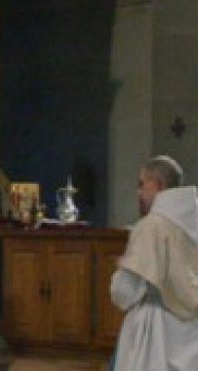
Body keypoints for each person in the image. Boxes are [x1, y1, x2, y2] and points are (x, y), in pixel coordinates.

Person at [110, 155, 198, 371]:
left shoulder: (152, 227)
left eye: (142, 185)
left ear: (158, 185)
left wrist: (122, 270)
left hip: (156, 331)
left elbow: (125, 292)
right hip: (191, 333)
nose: (138, 193)